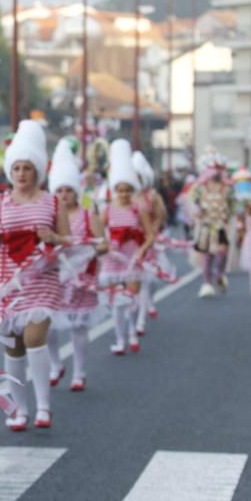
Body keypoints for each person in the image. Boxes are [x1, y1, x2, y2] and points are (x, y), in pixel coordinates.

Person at [0, 120, 62, 431]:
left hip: (42, 279)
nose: (22, 174)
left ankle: (44, 407)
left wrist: (53, 238)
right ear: (10, 171)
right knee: (13, 346)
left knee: (34, 338)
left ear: (37, 170)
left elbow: (67, 241)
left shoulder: (52, 202)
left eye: (27, 168)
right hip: (6, 282)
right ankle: (20, 409)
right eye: (17, 168)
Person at [48, 140, 106, 391]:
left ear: (75, 191)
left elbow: (104, 244)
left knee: (78, 326)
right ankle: (54, 364)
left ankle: (79, 372)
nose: (63, 195)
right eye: (59, 190)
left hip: (81, 278)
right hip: (55, 278)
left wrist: (88, 251)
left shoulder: (87, 215)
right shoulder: (48, 217)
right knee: (47, 323)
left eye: (68, 190)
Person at [99, 140, 155, 355]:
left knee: (131, 297)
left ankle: (132, 331)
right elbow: (98, 233)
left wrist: (142, 250)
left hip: (132, 257)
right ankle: (120, 339)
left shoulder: (138, 208)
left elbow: (150, 235)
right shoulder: (107, 209)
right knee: (116, 303)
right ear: (114, 190)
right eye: (119, 190)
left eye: (127, 190)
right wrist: (103, 245)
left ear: (132, 190)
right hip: (113, 258)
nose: (123, 194)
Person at [131, 151, 167, 336]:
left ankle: (142, 318)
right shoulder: (125, 196)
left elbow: (160, 216)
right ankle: (138, 315)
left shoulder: (151, 196)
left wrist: (152, 232)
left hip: (148, 242)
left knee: (149, 282)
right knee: (135, 283)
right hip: (131, 246)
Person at [192, 152, 234, 298]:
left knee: (222, 253)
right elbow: (193, 203)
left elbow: (234, 206)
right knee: (208, 255)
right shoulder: (200, 188)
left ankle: (220, 274)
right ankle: (207, 283)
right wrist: (198, 212)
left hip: (222, 225)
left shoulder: (228, 188)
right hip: (206, 225)